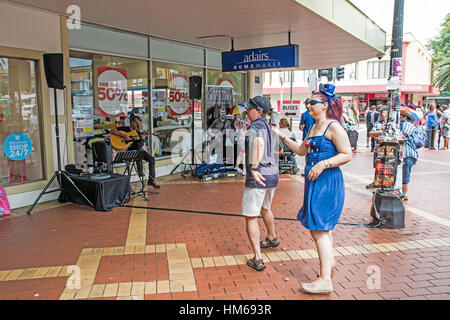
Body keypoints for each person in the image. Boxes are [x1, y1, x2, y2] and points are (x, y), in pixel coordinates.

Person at [272, 84, 352, 294]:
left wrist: (323, 164)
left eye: (313, 102)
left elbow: (347, 154)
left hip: (327, 181)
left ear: (325, 105)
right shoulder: (314, 127)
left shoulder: (333, 127)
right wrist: (281, 135)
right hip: (314, 181)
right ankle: (329, 264)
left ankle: (325, 279)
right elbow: (300, 150)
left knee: (319, 229)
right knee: (321, 228)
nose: (308, 105)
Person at [240, 96, 280, 272]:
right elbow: (277, 148)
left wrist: (254, 168)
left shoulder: (255, 127)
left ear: (259, 111)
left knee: (251, 216)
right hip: (272, 175)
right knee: (265, 208)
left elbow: (258, 143)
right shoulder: (269, 127)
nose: (247, 111)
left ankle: (257, 258)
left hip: (259, 176)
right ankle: (272, 237)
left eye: (250, 109)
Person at [111, 116, 160, 188]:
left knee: (151, 159)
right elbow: (112, 130)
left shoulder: (138, 132)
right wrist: (123, 135)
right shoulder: (124, 129)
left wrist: (142, 139)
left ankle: (151, 180)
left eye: (139, 124)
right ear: (132, 122)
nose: (138, 126)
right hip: (126, 152)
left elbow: (140, 145)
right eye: (137, 124)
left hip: (137, 152)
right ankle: (129, 185)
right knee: (138, 155)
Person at [366, 107, 389, 189]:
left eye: (385, 115)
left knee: (388, 166)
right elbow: (371, 133)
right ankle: (377, 181)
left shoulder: (391, 123)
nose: (383, 116)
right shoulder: (378, 123)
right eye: (382, 115)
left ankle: (385, 182)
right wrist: (381, 131)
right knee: (377, 166)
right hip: (378, 148)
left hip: (388, 149)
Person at [399, 112, 419, 201]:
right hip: (402, 153)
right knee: (402, 173)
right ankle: (401, 193)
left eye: (401, 116)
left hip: (408, 153)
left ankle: (404, 194)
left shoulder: (407, 124)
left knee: (405, 174)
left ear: (405, 117)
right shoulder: (400, 124)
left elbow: (404, 135)